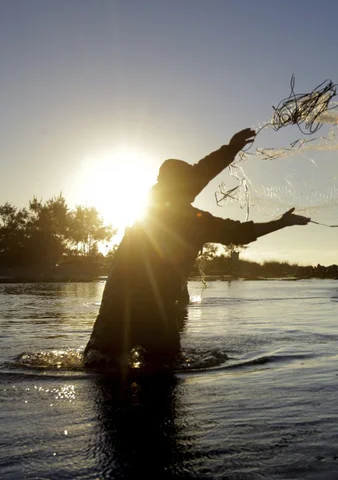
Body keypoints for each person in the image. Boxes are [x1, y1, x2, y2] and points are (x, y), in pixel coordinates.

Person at [84, 128, 310, 368]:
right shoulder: (195, 222)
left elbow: (200, 173)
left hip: (116, 308)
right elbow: (241, 232)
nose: (195, 182)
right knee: (164, 374)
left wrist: (230, 149)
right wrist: (281, 223)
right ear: (181, 184)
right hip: (156, 314)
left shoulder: (149, 205)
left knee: (100, 366)